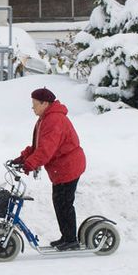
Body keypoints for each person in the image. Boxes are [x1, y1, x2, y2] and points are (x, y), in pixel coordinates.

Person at [10, 87, 86, 251]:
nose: (32, 107)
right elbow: (39, 146)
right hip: (61, 167)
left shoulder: (54, 120)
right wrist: (22, 158)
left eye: (34, 104)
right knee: (60, 202)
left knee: (64, 203)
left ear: (45, 103)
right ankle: (67, 237)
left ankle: (71, 239)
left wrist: (29, 164)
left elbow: (46, 150)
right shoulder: (46, 118)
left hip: (68, 166)